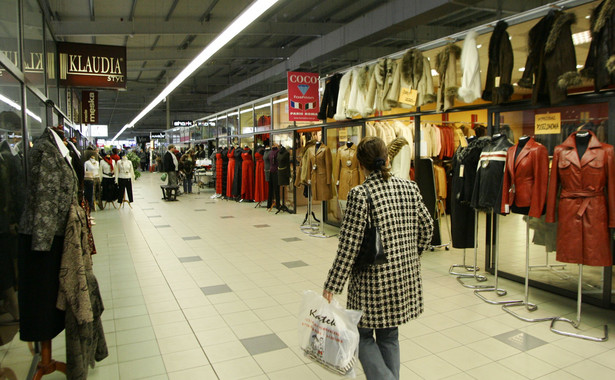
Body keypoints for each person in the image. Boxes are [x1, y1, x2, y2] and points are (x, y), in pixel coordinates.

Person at [322, 136, 433, 380]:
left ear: (361, 164)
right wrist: (412, 256)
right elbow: (428, 228)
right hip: (402, 277)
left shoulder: (360, 194)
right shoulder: (409, 187)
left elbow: (348, 247)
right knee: (389, 334)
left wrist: (332, 284)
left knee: (361, 334)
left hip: (372, 282)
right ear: (387, 159)